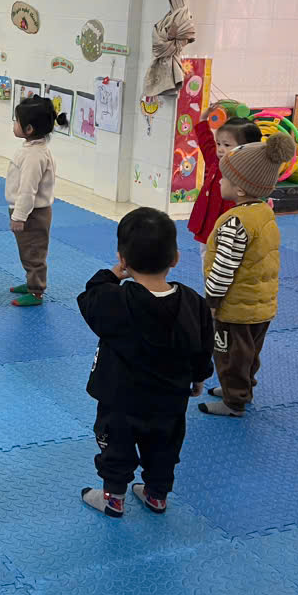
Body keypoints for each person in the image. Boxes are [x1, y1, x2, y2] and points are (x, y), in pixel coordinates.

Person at [77, 208, 214, 518]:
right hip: (170, 401)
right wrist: (199, 377)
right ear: (175, 258)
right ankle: (156, 495)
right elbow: (203, 346)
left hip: (120, 401)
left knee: (116, 449)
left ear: (123, 259)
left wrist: (112, 274)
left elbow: (90, 296)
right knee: (165, 449)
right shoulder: (194, 303)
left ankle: (113, 499)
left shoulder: (114, 301)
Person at [199, 132, 294, 417]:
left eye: (225, 179)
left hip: (236, 309)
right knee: (249, 353)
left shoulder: (235, 222)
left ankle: (234, 401)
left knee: (229, 355)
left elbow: (224, 268)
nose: (220, 182)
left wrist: (211, 302)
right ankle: (241, 389)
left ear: (239, 189)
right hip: (261, 306)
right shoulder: (264, 213)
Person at [7, 96, 66, 307]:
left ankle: (36, 291)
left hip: (32, 213)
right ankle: (31, 281)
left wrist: (19, 216)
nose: (14, 124)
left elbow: (28, 190)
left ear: (29, 129)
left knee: (34, 252)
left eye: (17, 121)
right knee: (27, 250)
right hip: (28, 211)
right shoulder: (32, 149)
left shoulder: (35, 156)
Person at [189, 111, 262, 244]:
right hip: (209, 222)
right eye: (218, 144)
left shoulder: (247, 170)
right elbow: (206, 143)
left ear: (245, 148)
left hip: (231, 226)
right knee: (206, 251)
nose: (220, 149)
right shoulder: (216, 160)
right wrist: (203, 120)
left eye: (227, 145)